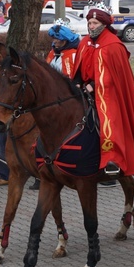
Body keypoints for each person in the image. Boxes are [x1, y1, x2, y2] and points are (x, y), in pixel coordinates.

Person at [72, 5, 134, 177]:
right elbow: (78, 67)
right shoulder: (85, 41)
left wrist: (93, 85)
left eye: (94, 23)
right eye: (89, 22)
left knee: (110, 118)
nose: (91, 26)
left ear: (103, 24)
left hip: (109, 92)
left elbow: (111, 75)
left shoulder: (113, 45)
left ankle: (113, 158)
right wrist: (78, 82)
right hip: (84, 89)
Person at [40, 20, 81, 189]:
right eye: (53, 39)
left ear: (64, 40)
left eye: (57, 40)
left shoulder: (72, 53)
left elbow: (69, 78)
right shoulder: (53, 53)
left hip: (69, 98)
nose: (54, 42)